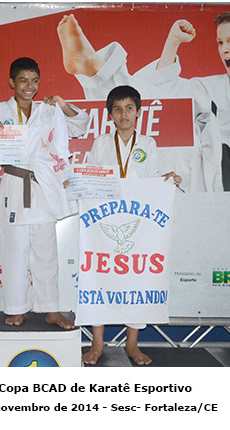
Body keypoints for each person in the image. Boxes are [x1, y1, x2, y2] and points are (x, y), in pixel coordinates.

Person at [57, 9, 230, 192]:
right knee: (152, 106)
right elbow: (166, 92)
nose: (224, 49)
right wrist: (172, 43)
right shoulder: (208, 84)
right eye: (220, 42)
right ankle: (96, 70)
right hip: (192, 170)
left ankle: (99, 73)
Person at [66, 85, 181, 365]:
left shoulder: (148, 144)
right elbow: (93, 176)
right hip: (104, 220)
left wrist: (166, 180)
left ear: (138, 112)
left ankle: (132, 345)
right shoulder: (101, 143)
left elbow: (151, 177)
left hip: (137, 220)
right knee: (99, 276)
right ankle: (97, 344)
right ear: (110, 115)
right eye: (117, 109)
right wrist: (78, 182)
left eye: (129, 108)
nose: (123, 114)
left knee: (136, 278)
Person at [0, 57, 90, 329]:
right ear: (11, 82)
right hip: (15, 184)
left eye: (34, 81)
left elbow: (80, 126)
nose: (29, 86)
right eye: (23, 81)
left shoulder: (48, 110)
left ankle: (50, 309)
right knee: (15, 252)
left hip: (43, 186)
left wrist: (62, 105)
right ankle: (17, 309)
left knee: (46, 253)